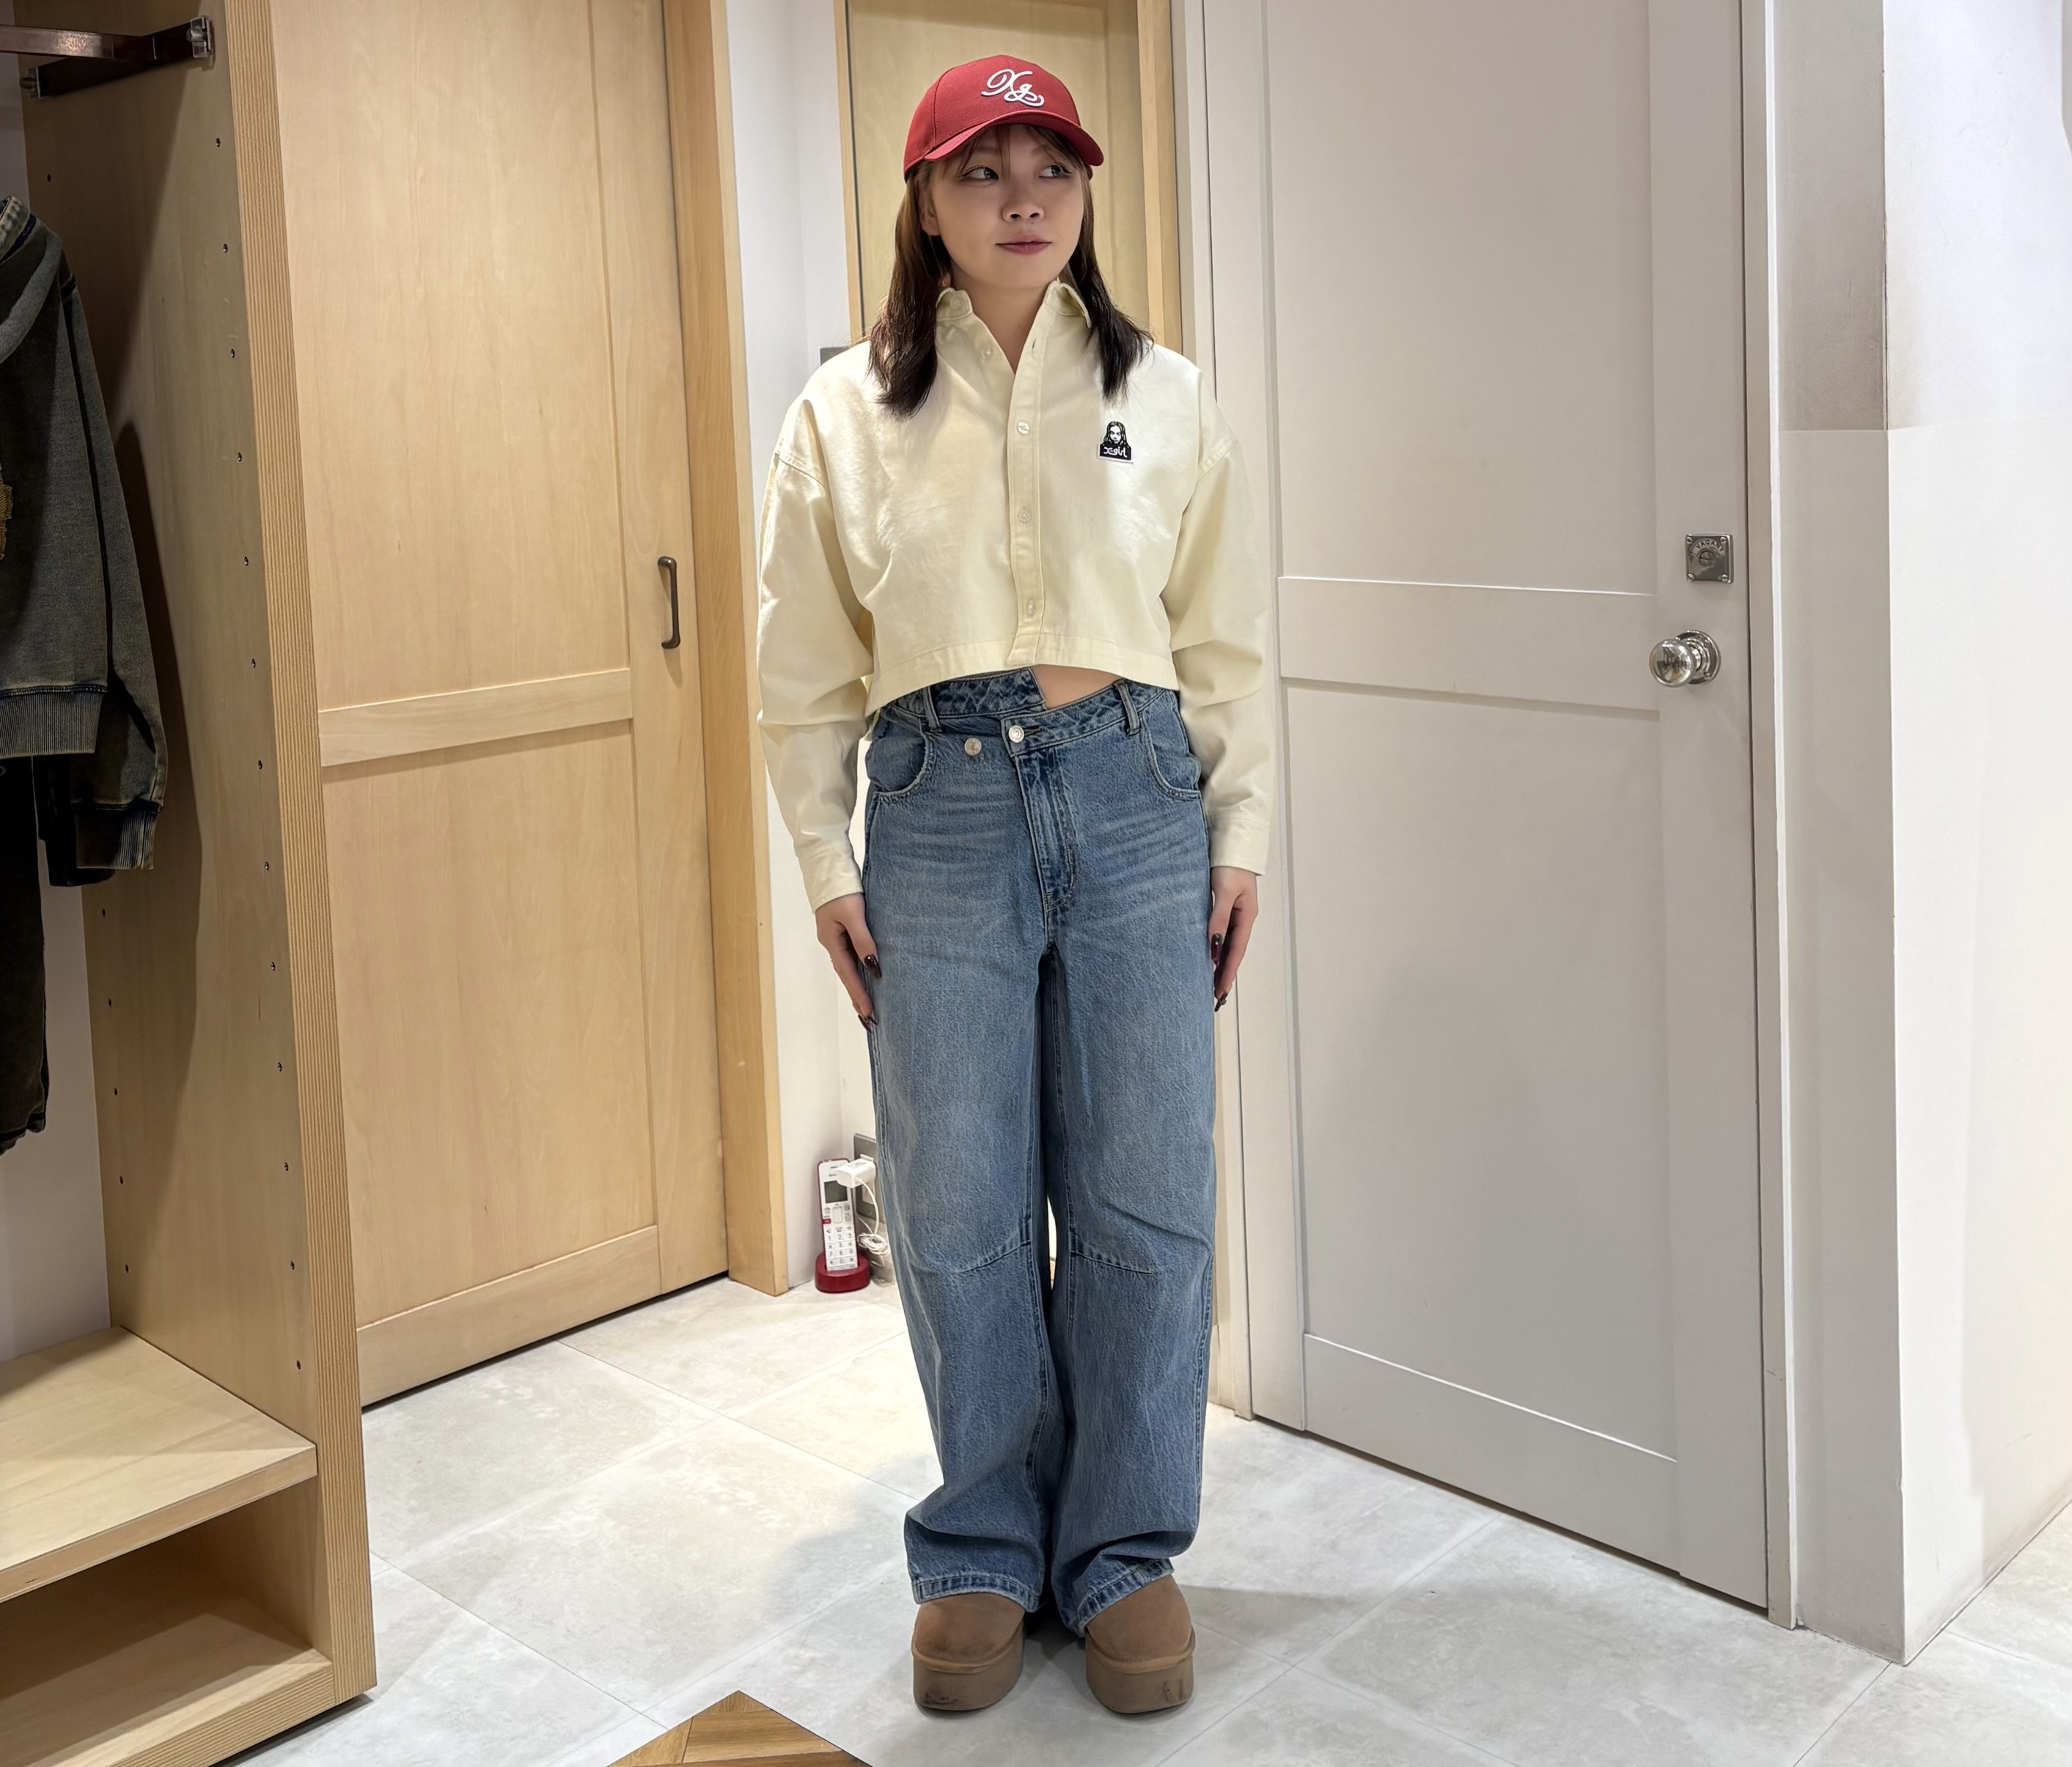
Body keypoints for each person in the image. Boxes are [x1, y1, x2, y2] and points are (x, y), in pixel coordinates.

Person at [754, 52, 1273, 1718]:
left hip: (1134, 796)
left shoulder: (1166, 394)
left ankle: (1120, 1546)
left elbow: (1225, 639)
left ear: (1087, 192)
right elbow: (799, 666)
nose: (1022, 198)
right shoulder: (845, 410)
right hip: (936, 807)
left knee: (1142, 1187)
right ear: (924, 202)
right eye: (981, 170)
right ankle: (982, 1542)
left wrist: (1238, 832)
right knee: (961, 1196)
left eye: (1051, 166)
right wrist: (825, 856)